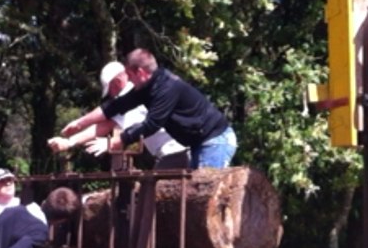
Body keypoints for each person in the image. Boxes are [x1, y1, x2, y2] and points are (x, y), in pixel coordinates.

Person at [59, 48, 236, 168]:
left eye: (130, 75)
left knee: (205, 193)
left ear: (141, 73)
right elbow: (114, 106)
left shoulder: (167, 88)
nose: (128, 80)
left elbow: (152, 124)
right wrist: (79, 123)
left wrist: (112, 143)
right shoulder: (146, 88)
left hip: (215, 140)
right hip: (198, 143)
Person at [47, 61, 190, 169]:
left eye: (111, 90)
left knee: (155, 197)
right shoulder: (133, 94)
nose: (111, 95)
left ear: (117, 81)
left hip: (175, 151)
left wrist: (108, 143)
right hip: (171, 152)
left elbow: (108, 126)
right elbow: (106, 124)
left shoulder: (131, 95)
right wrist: (70, 141)